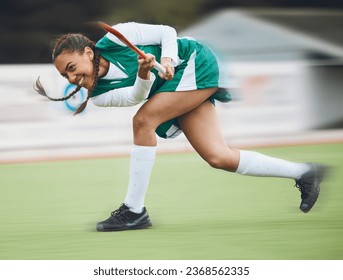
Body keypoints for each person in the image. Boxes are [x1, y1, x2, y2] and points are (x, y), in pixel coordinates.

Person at [35, 22, 327, 232]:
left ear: (88, 52)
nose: (72, 78)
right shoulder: (99, 96)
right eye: (65, 75)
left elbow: (166, 33)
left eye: (72, 68)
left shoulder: (117, 38)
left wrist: (166, 59)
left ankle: (134, 211)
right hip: (172, 86)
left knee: (143, 121)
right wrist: (143, 74)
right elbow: (136, 96)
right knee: (218, 156)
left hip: (194, 62)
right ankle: (304, 172)